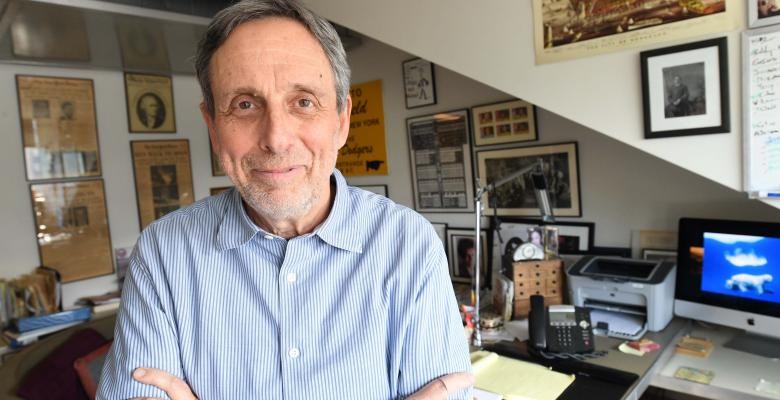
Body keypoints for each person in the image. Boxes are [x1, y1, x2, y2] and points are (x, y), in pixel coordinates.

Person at [96, 1, 472, 399]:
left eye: (303, 102)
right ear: (213, 126)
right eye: (244, 104)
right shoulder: (163, 254)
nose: (276, 138)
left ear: (341, 122)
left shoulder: (408, 244)